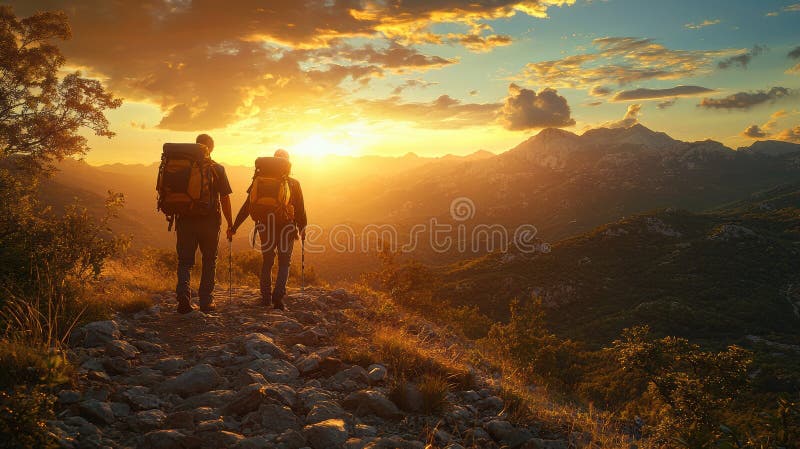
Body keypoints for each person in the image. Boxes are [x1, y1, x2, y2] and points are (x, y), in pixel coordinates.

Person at [230, 149, 307, 310]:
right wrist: (302, 228)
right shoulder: (293, 183)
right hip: (287, 227)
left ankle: (265, 298)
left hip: (265, 226)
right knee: (284, 263)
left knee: (267, 262)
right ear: (287, 164)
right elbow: (300, 209)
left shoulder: (260, 181)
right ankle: (278, 299)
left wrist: (234, 226)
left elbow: (247, 206)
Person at [175, 134, 233, 314]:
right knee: (209, 260)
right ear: (211, 148)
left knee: (185, 261)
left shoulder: (180, 167)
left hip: (184, 219)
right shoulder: (217, 169)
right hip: (209, 221)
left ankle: (183, 296)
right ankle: (206, 301)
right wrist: (230, 224)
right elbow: (224, 198)